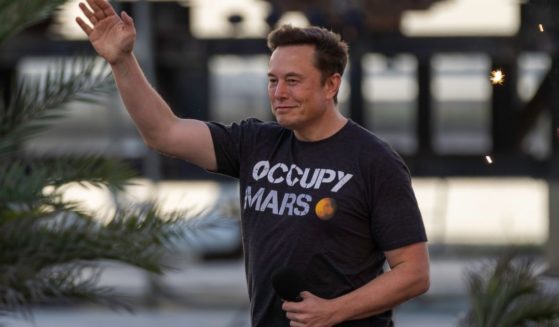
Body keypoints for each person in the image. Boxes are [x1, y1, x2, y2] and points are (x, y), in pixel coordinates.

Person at [76, 1, 430, 325]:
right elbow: (164, 133)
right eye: (273, 81)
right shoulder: (255, 143)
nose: (279, 94)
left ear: (330, 85)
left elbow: (413, 273)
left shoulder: (373, 161)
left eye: (293, 81)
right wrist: (121, 61)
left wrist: (333, 311)